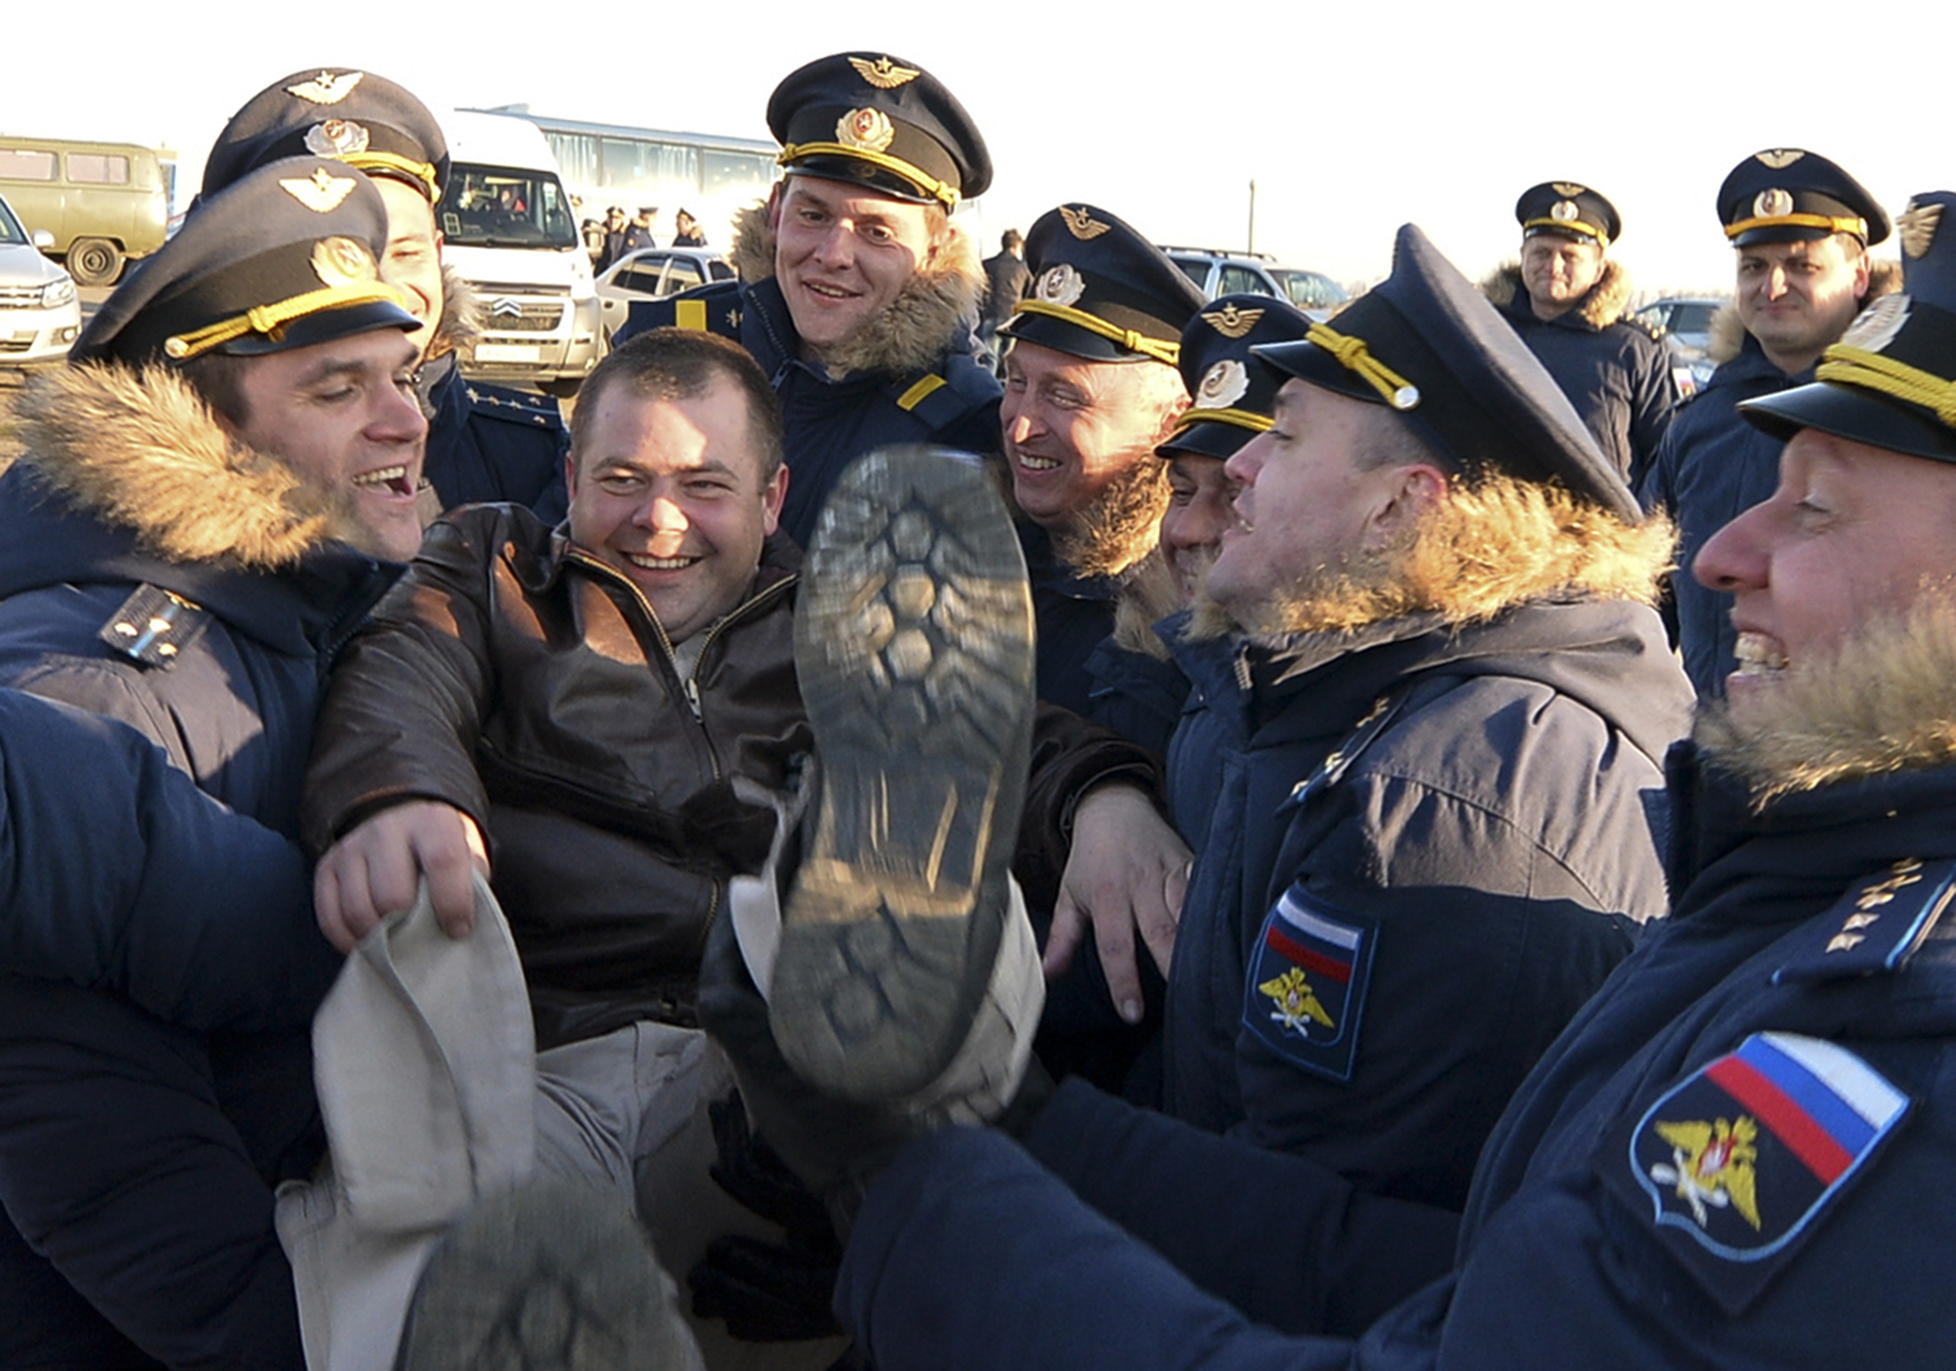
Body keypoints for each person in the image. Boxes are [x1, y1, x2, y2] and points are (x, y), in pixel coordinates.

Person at [699, 188, 1956, 1371]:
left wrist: (913, 1187)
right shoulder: (1355, 715)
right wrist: (1001, 1123)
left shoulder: (1462, 806)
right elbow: (1447, 1269)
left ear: (1398, 511)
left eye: (1822, 511)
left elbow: (1377, 1277)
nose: (1727, 552)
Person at [297, 328, 1182, 1363]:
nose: (659, 520)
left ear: (771, 500)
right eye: (622, 478)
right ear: (570, 477)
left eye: (705, 485)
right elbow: (402, 671)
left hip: (748, 1076)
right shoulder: (495, 571)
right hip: (538, 1070)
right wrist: (401, 794)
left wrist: (1105, 798)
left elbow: (1007, 736)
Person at [0, 156, 425, 1371]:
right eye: (339, 389)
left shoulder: (268, 605)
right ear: (205, 432)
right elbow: (101, 1166)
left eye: (403, 375)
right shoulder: (109, 688)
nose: (405, 418)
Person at [616, 51, 1002, 547]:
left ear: (935, 247)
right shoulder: (668, 342)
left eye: (876, 231)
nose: (834, 254)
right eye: (814, 216)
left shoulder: (962, 423)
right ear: (777, 211)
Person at [200, 67, 570, 520]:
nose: (386, 289)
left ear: (438, 252)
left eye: (407, 252)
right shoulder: (204, 461)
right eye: (348, 259)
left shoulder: (531, 456)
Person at [1640, 148, 1893, 698]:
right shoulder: (1702, 422)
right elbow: (1643, 599)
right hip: (1706, 750)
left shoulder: (1907, 419)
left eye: (1802, 266)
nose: (1772, 287)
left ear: (1858, 274)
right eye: (1754, 267)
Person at [1082, 292, 1316, 764]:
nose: (1186, 531)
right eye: (1181, 493)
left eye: (1236, 497)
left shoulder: (1346, 723)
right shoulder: (1138, 667)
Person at [995, 203, 1204, 720]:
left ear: (1172, 420)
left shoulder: (1178, 634)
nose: (1021, 425)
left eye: (1064, 397)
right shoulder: (974, 547)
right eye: (1016, 381)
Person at [1482, 180, 1677, 488]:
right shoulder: (1484, 331)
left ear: (1599, 268)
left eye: (1569, 256)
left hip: (1600, 529)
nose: (1553, 266)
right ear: (1523, 256)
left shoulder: (1634, 348)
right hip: (1503, 524)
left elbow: (1668, 454)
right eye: (1542, 253)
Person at [978, 227, 1029, 365]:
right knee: (1009, 359)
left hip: (990, 314)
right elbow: (1030, 293)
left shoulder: (987, 265)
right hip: (1011, 318)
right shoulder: (1022, 268)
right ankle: (1007, 385)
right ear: (1016, 246)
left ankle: (988, 386)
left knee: (990, 358)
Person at [599, 205, 630, 272]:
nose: (613, 221)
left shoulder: (627, 235)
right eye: (611, 217)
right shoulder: (601, 233)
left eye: (617, 218)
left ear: (621, 219)